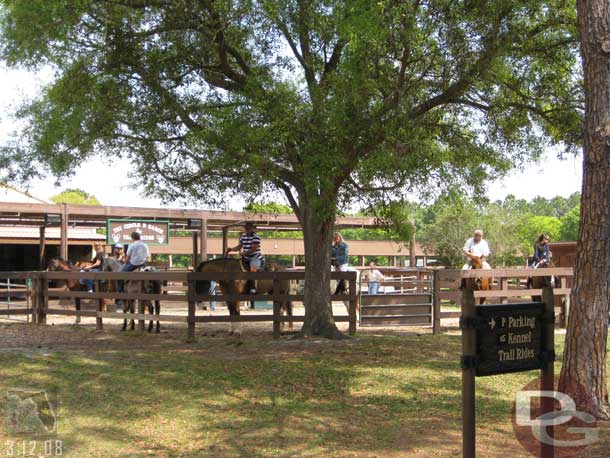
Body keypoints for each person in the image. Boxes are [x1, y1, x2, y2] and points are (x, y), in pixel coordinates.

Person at [225, 221, 263, 293]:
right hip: (245, 258)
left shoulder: (256, 237)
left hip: (255, 257)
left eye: (248, 229)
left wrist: (244, 253)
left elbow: (253, 249)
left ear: (252, 229)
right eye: (246, 229)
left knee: (252, 270)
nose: (247, 230)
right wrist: (231, 249)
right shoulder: (243, 236)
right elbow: (239, 247)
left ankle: (253, 287)